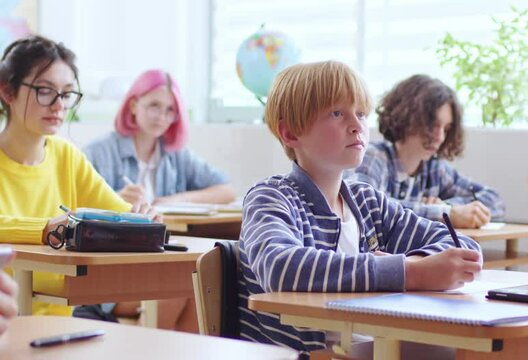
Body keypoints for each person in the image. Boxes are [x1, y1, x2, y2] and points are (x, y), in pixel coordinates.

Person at [238, 61, 482, 359]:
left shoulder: (367, 202)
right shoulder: (271, 197)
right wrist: (409, 272)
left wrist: (422, 263)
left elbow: (462, 245)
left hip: (372, 345)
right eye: (337, 113)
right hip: (309, 354)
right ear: (290, 134)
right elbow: (281, 267)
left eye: (362, 114)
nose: (357, 125)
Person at [0, 35, 156, 316]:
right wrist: (45, 229)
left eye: (67, 93)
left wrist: (140, 218)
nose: (59, 105)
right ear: (8, 92)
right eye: (45, 91)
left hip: (61, 325)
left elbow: (117, 214)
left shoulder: (67, 156)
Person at [346, 75, 504, 229]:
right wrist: (446, 214)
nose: (440, 137)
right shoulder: (373, 157)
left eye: (446, 128)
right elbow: (366, 206)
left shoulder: (435, 169)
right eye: (432, 125)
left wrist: (450, 206)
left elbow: (495, 201)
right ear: (406, 118)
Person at [83, 69, 235, 206]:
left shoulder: (177, 154)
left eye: (170, 109)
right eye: (154, 105)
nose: (162, 117)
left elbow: (226, 191)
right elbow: (73, 203)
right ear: (133, 106)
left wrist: (177, 200)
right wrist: (114, 199)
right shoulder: (98, 153)